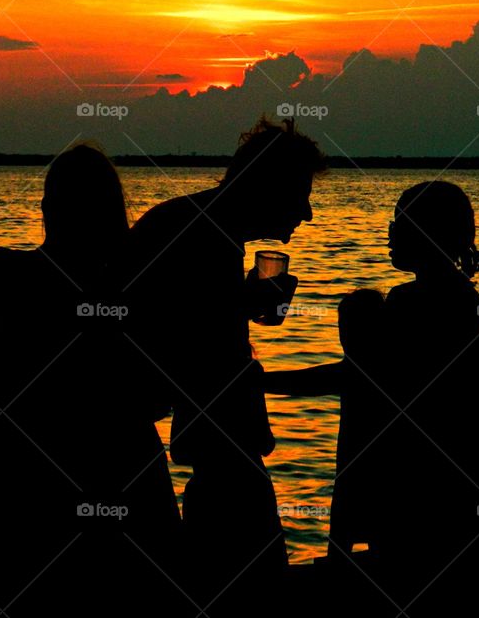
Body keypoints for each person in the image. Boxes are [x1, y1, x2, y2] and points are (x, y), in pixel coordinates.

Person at [0, 144, 180, 592]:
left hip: (8, 493)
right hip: (109, 483)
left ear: (47, 209)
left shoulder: (15, 273)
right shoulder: (126, 289)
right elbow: (156, 393)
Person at [125, 116, 325, 603]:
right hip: (204, 445)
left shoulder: (205, 228)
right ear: (268, 186)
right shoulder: (204, 236)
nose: (307, 211)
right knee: (248, 573)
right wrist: (245, 305)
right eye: (299, 192)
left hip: (194, 438)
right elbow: (183, 334)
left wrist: (243, 305)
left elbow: (191, 322)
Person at [374, 181, 479, 570]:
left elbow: (377, 379)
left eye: (401, 223)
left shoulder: (408, 302)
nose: (391, 234)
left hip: (420, 483)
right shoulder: (466, 299)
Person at [264, 288, 389, 558]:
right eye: (342, 328)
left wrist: (257, 381)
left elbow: (308, 381)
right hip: (367, 477)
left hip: (359, 477)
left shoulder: (362, 373)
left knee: (342, 547)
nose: (344, 337)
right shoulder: (379, 369)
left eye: (349, 329)